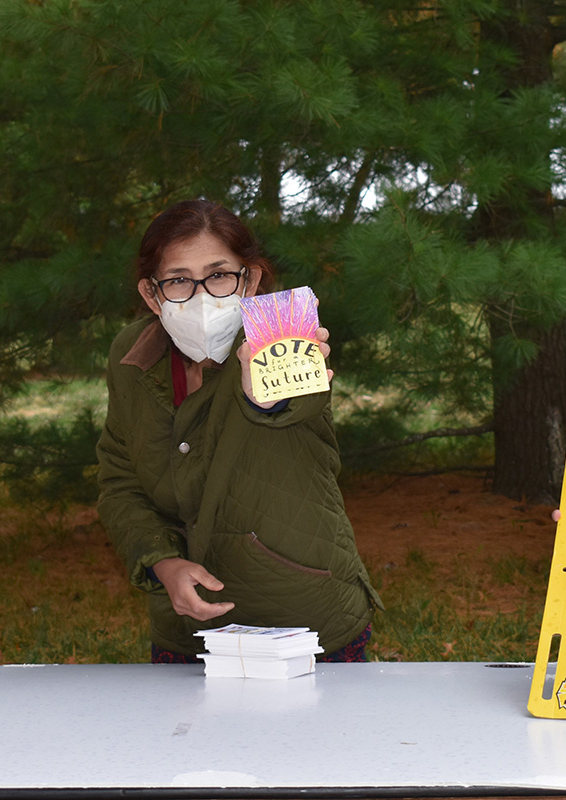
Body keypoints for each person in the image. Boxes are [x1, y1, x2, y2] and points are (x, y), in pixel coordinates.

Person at [96, 199, 384, 663]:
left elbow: (303, 400)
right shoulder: (132, 355)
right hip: (186, 631)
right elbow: (119, 480)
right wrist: (162, 562)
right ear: (152, 294)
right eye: (178, 280)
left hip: (302, 625)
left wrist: (265, 399)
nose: (202, 295)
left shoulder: (283, 335)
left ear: (249, 278)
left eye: (218, 274)